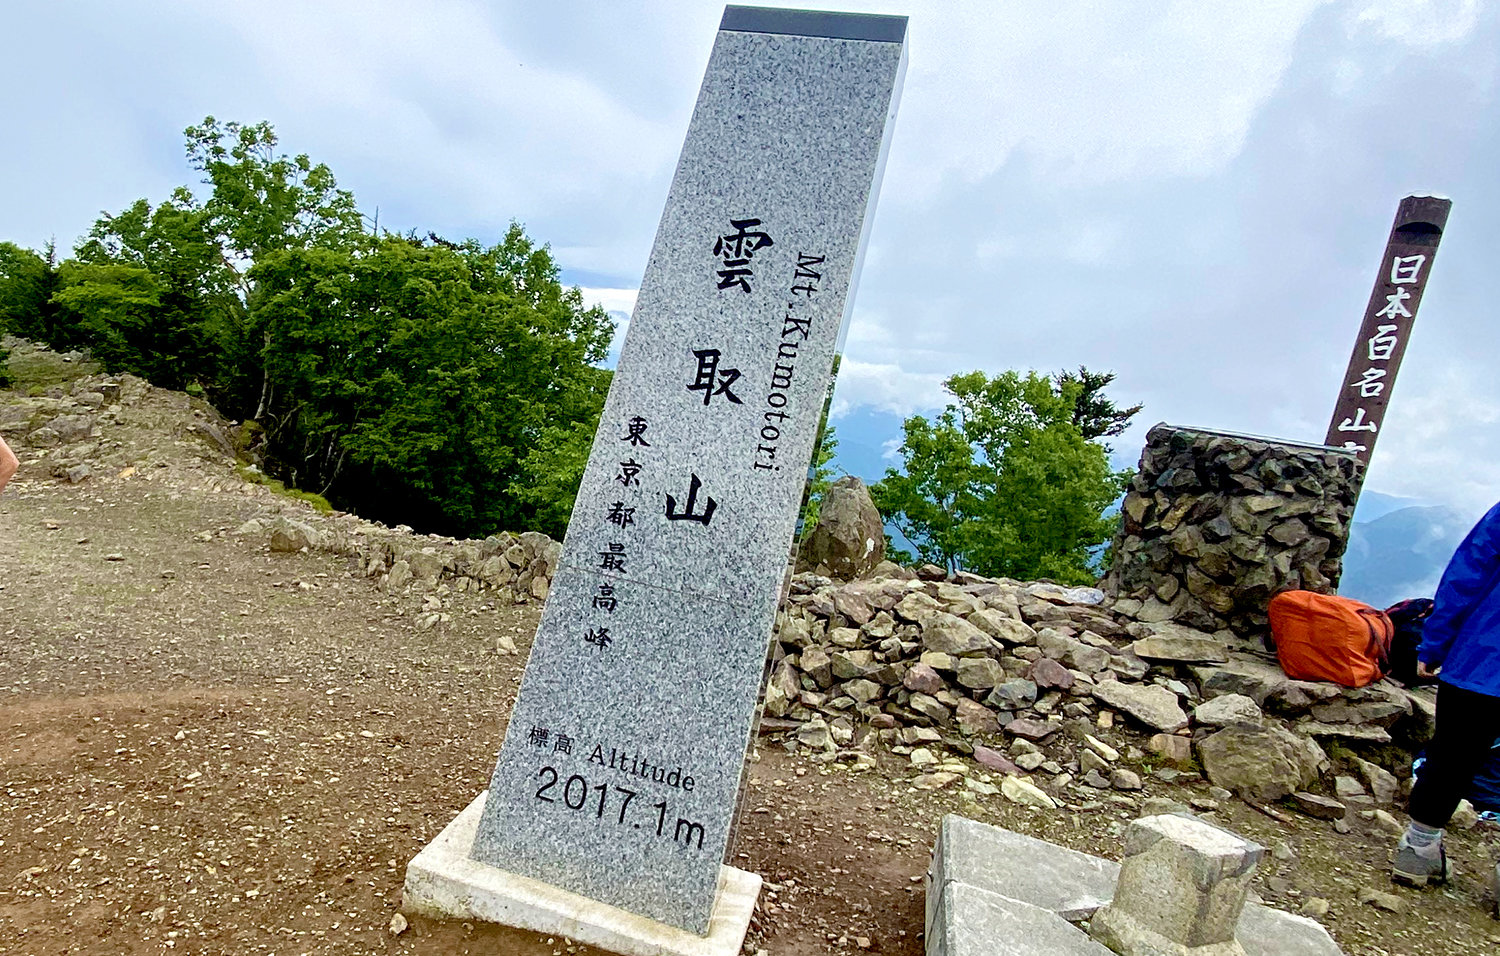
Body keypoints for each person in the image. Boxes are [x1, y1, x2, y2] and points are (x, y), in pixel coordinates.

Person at [1392, 499, 1500, 914]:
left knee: (1451, 756)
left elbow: (1469, 573)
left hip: (1483, 657)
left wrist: (1435, 642)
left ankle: (1417, 851)